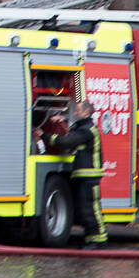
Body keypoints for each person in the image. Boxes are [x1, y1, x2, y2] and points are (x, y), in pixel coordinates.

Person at [46, 99, 108, 249]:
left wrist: (44, 136)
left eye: (78, 111)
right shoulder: (83, 127)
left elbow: (67, 142)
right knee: (83, 209)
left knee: (91, 208)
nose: (75, 113)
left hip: (90, 176)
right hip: (83, 176)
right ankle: (90, 238)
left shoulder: (87, 130)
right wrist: (63, 120)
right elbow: (73, 130)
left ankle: (99, 239)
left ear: (86, 112)